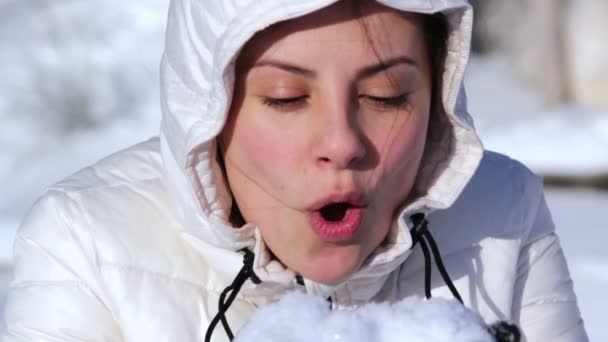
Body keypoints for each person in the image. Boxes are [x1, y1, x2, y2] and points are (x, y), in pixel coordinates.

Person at [1, 0, 588, 341]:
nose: (341, 144)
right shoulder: (85, 244)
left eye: (385, 95)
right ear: (208, 108)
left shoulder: (502, 213)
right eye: (285, 97)